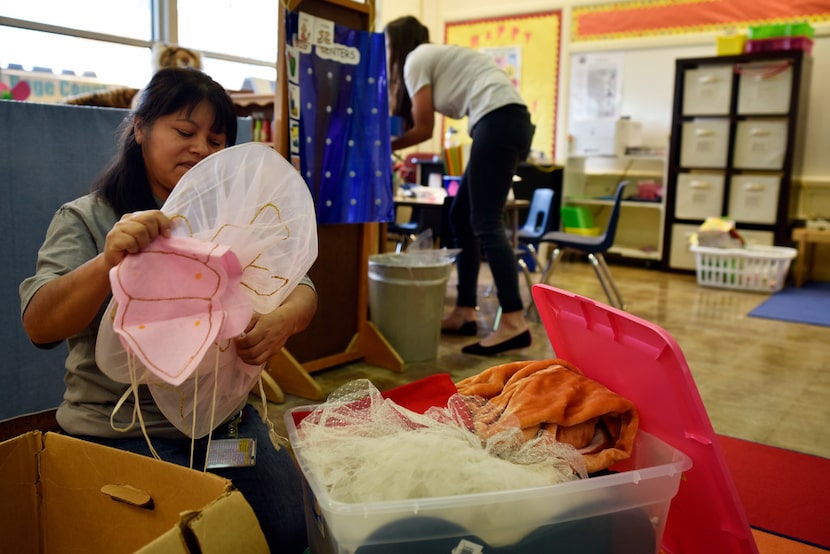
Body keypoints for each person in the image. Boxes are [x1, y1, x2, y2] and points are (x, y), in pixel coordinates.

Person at [19, 66, 315, 553]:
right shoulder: (88, 218)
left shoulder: (230, 214)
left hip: (224, 421)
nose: (200, 148)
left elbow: (302, 286)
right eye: (184, 131)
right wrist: (106, 263)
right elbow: (39, 326)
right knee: (198, 540)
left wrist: (284, 319)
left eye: (216, 140)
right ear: (140, 127)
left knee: (291, 527)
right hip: (119, 429)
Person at [385, 15, 536, 356]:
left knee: (486, 222)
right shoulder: (435, 56)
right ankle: (465, 311)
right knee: (459, 215)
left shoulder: (415, 59)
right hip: (507, 121)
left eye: (388, 45)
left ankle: (513, 321)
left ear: (398, 43)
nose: (388, 53)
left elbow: (423, 128)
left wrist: (384, 146)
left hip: (497, 121)